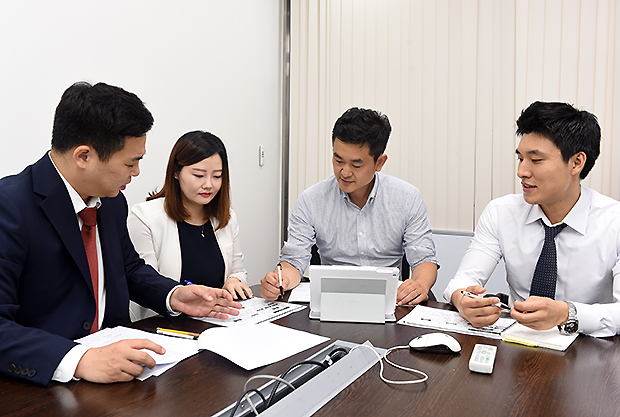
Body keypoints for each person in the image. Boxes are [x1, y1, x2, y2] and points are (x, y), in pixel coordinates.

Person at [0, 82, 241, 387]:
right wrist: (78, 359)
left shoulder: (112, 202)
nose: (137, 172)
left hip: (121, 372)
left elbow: (127, 268)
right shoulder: (10, 207)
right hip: (45, 381)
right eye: (131, 162)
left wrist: (173, 294)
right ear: (83, 156)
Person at [444, 101, 620, 337]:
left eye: (536, 160)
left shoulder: (614, 222)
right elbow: (463, 280)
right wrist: (463, 300)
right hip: (519, 346)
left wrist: (567, 313)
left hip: (589, 352)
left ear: (577, 162)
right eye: (520, 159)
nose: (522, 172)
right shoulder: (501, 212)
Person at [260, 107, 438, 305]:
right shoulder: (311, 200)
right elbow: (294, 261)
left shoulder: (407, 198)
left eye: (356, 164)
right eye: (338, 160)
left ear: (379, 162)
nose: (344, 172)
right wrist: (280, 281)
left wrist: (420, 284)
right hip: (332, 301)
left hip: (387, 301)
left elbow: (424, 259)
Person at [128, 131, 251, 320]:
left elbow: (237, 270)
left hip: (217, 321)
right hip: (167, 325)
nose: (209, 185)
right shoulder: (145, 217)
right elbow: (144, 283)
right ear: (176, 172)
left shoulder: (226, 218)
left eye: (217, 176)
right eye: (199, 175)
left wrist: (234, 281)